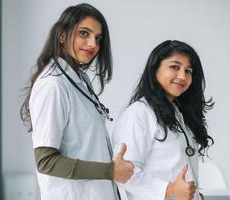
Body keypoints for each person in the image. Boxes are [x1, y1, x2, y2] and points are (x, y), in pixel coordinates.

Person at [20, 3, 134, 200]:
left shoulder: (78, 79)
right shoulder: (53, 85)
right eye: (84, 33)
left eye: (98, 38)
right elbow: (46, 161)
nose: (93, 44)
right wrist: (110, 171)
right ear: (62, 35)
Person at [112, 40, 214, 200]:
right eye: (175, 67)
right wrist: (169, 190)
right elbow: (124, 174)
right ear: (155, 69)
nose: (182, 76)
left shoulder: (177, 112)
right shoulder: (139, 113)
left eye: (188, 71)